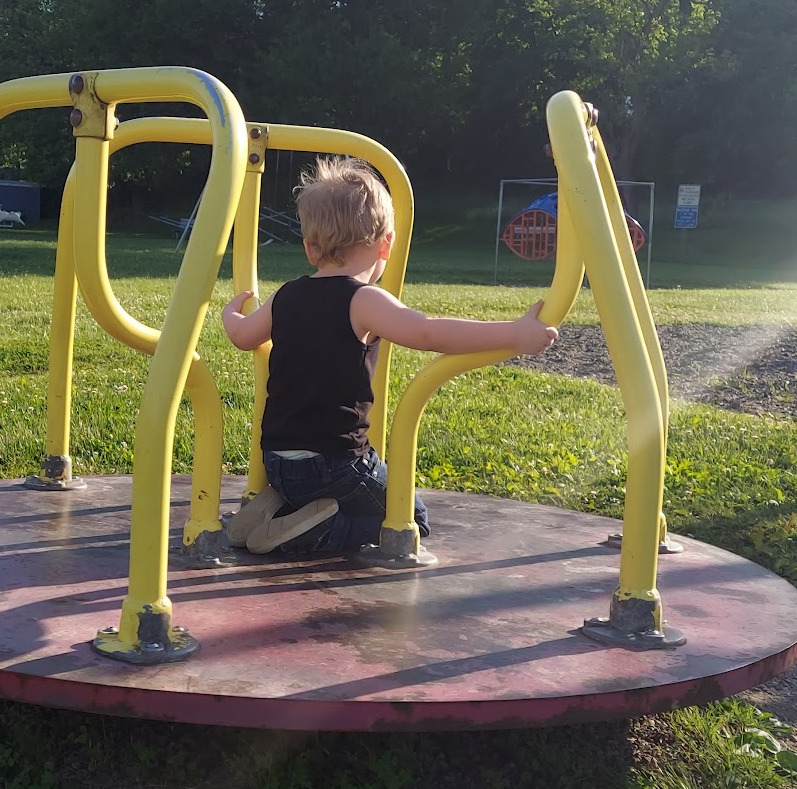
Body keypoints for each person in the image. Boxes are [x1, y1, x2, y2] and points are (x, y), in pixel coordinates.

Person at [221, 155, 558, 554]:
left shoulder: (285, 295)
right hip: (334, 465)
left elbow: (243, 336)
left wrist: (229, 312)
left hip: (275, 461)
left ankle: (279, 507)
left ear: (310, 249)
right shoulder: (363, 300)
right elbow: (428, 331)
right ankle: (306, 532)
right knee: (411, 518)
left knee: (354, 496)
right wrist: (515, 335)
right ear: (387, 245)